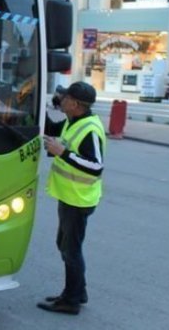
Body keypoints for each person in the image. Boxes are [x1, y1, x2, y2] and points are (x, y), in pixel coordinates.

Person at [38, 81, 106, 316]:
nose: (62, 99)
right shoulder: (73, 121)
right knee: (65, 245)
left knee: (70, 249)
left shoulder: (90, 129)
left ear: (76, 104)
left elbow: (96, 166)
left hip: (79, 200)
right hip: (69, 196)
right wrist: (39, 106)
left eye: (65, 97)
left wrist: (63, 153)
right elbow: (51, 130)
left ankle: (71, 300)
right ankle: (78, 291)